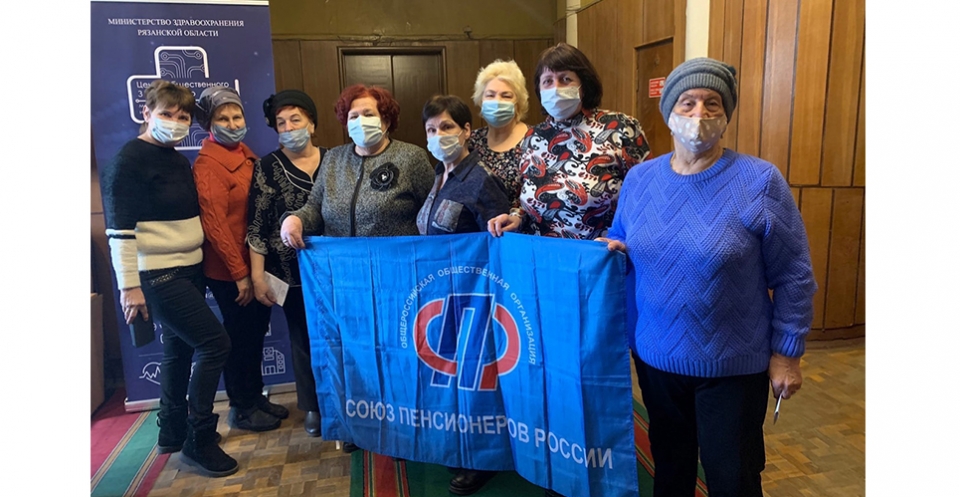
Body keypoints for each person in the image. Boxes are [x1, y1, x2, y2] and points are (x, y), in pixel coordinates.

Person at [599, 57, 817, 497]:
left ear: (726, 114)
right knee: (671, 470)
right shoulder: (639, 180)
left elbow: (794, 274)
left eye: (712, 103)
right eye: (687, 102)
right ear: (669, 112)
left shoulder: (759, 181)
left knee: (732, 477)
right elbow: (621, 236)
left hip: (732, 364)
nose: (699, 114)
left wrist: (787, 354)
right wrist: (613, 247)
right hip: (656, 357)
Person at [279, 83, 435, 452]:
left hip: (396, 280)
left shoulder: (411, 158)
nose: (360, 121)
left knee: (396, 354)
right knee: (353, 355)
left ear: (386, 119)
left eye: (369, 114)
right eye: (354, 115)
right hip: (344, 282)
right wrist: (295, 219)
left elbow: (432, 211)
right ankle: (357, 425)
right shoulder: (333, 160)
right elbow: (314, 207)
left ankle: (403, 427)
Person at [100, 80, 237, 477]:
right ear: (146, 113)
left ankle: (172, 430)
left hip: (190, 267)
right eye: (166, 114)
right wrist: (130, 287)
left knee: (178, 350)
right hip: (157, 274)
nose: (175, 122)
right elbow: (119, 233)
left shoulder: (175, 158)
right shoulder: (128, 161)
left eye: (182, 117)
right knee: (215, 343)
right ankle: (199, 438)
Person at [417, 95, 511, 495]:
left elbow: (501, 244)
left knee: (476, 381)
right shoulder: (438, 175)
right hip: (441, 295)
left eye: (447, 127)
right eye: (431, 129)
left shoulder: (481, 180)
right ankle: (459, 445)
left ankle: (482, 459)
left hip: (474, 298)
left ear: (467, 131)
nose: (438, 135)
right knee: (453, 379)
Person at [192, 86, 288, 433]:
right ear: (208, 124)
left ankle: (255, 395)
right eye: (223, 118)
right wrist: (240, 274)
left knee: (255, 335)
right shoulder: (209, 166)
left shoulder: (248, 156)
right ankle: (242, 406)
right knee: (239, 340)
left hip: (255, 264)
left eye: (237, 116)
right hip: (230, 271)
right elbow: (215, 225)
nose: (233, 124)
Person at [487, 42, 651, 240]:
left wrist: (623, 239)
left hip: (600, 252)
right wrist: (516, 217)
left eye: (566, 79)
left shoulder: (620, 128)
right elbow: (527, 200)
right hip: (543, 252)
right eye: (548, 81)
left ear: (584, 85)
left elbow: (648, 194)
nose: (556, 88)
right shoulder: (532, 137)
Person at [247, 89, 327, 437]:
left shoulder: (336, 159)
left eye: (296, 119)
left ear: (312, 123)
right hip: (289, 272)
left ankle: (343, 399)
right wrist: (257, 275)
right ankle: (313, 406)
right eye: (281, 123)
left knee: (338, 336)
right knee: (302, 338)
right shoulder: (266, 167)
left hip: (335, 270)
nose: (290, 127)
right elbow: (257, 224)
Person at [467, 59, 530, 206]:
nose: (497, 101)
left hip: (518, 220)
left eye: (506, 96)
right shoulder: (471, 140)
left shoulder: (536, 140)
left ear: (518, 102)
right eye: (490, 95)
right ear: (481, 101)